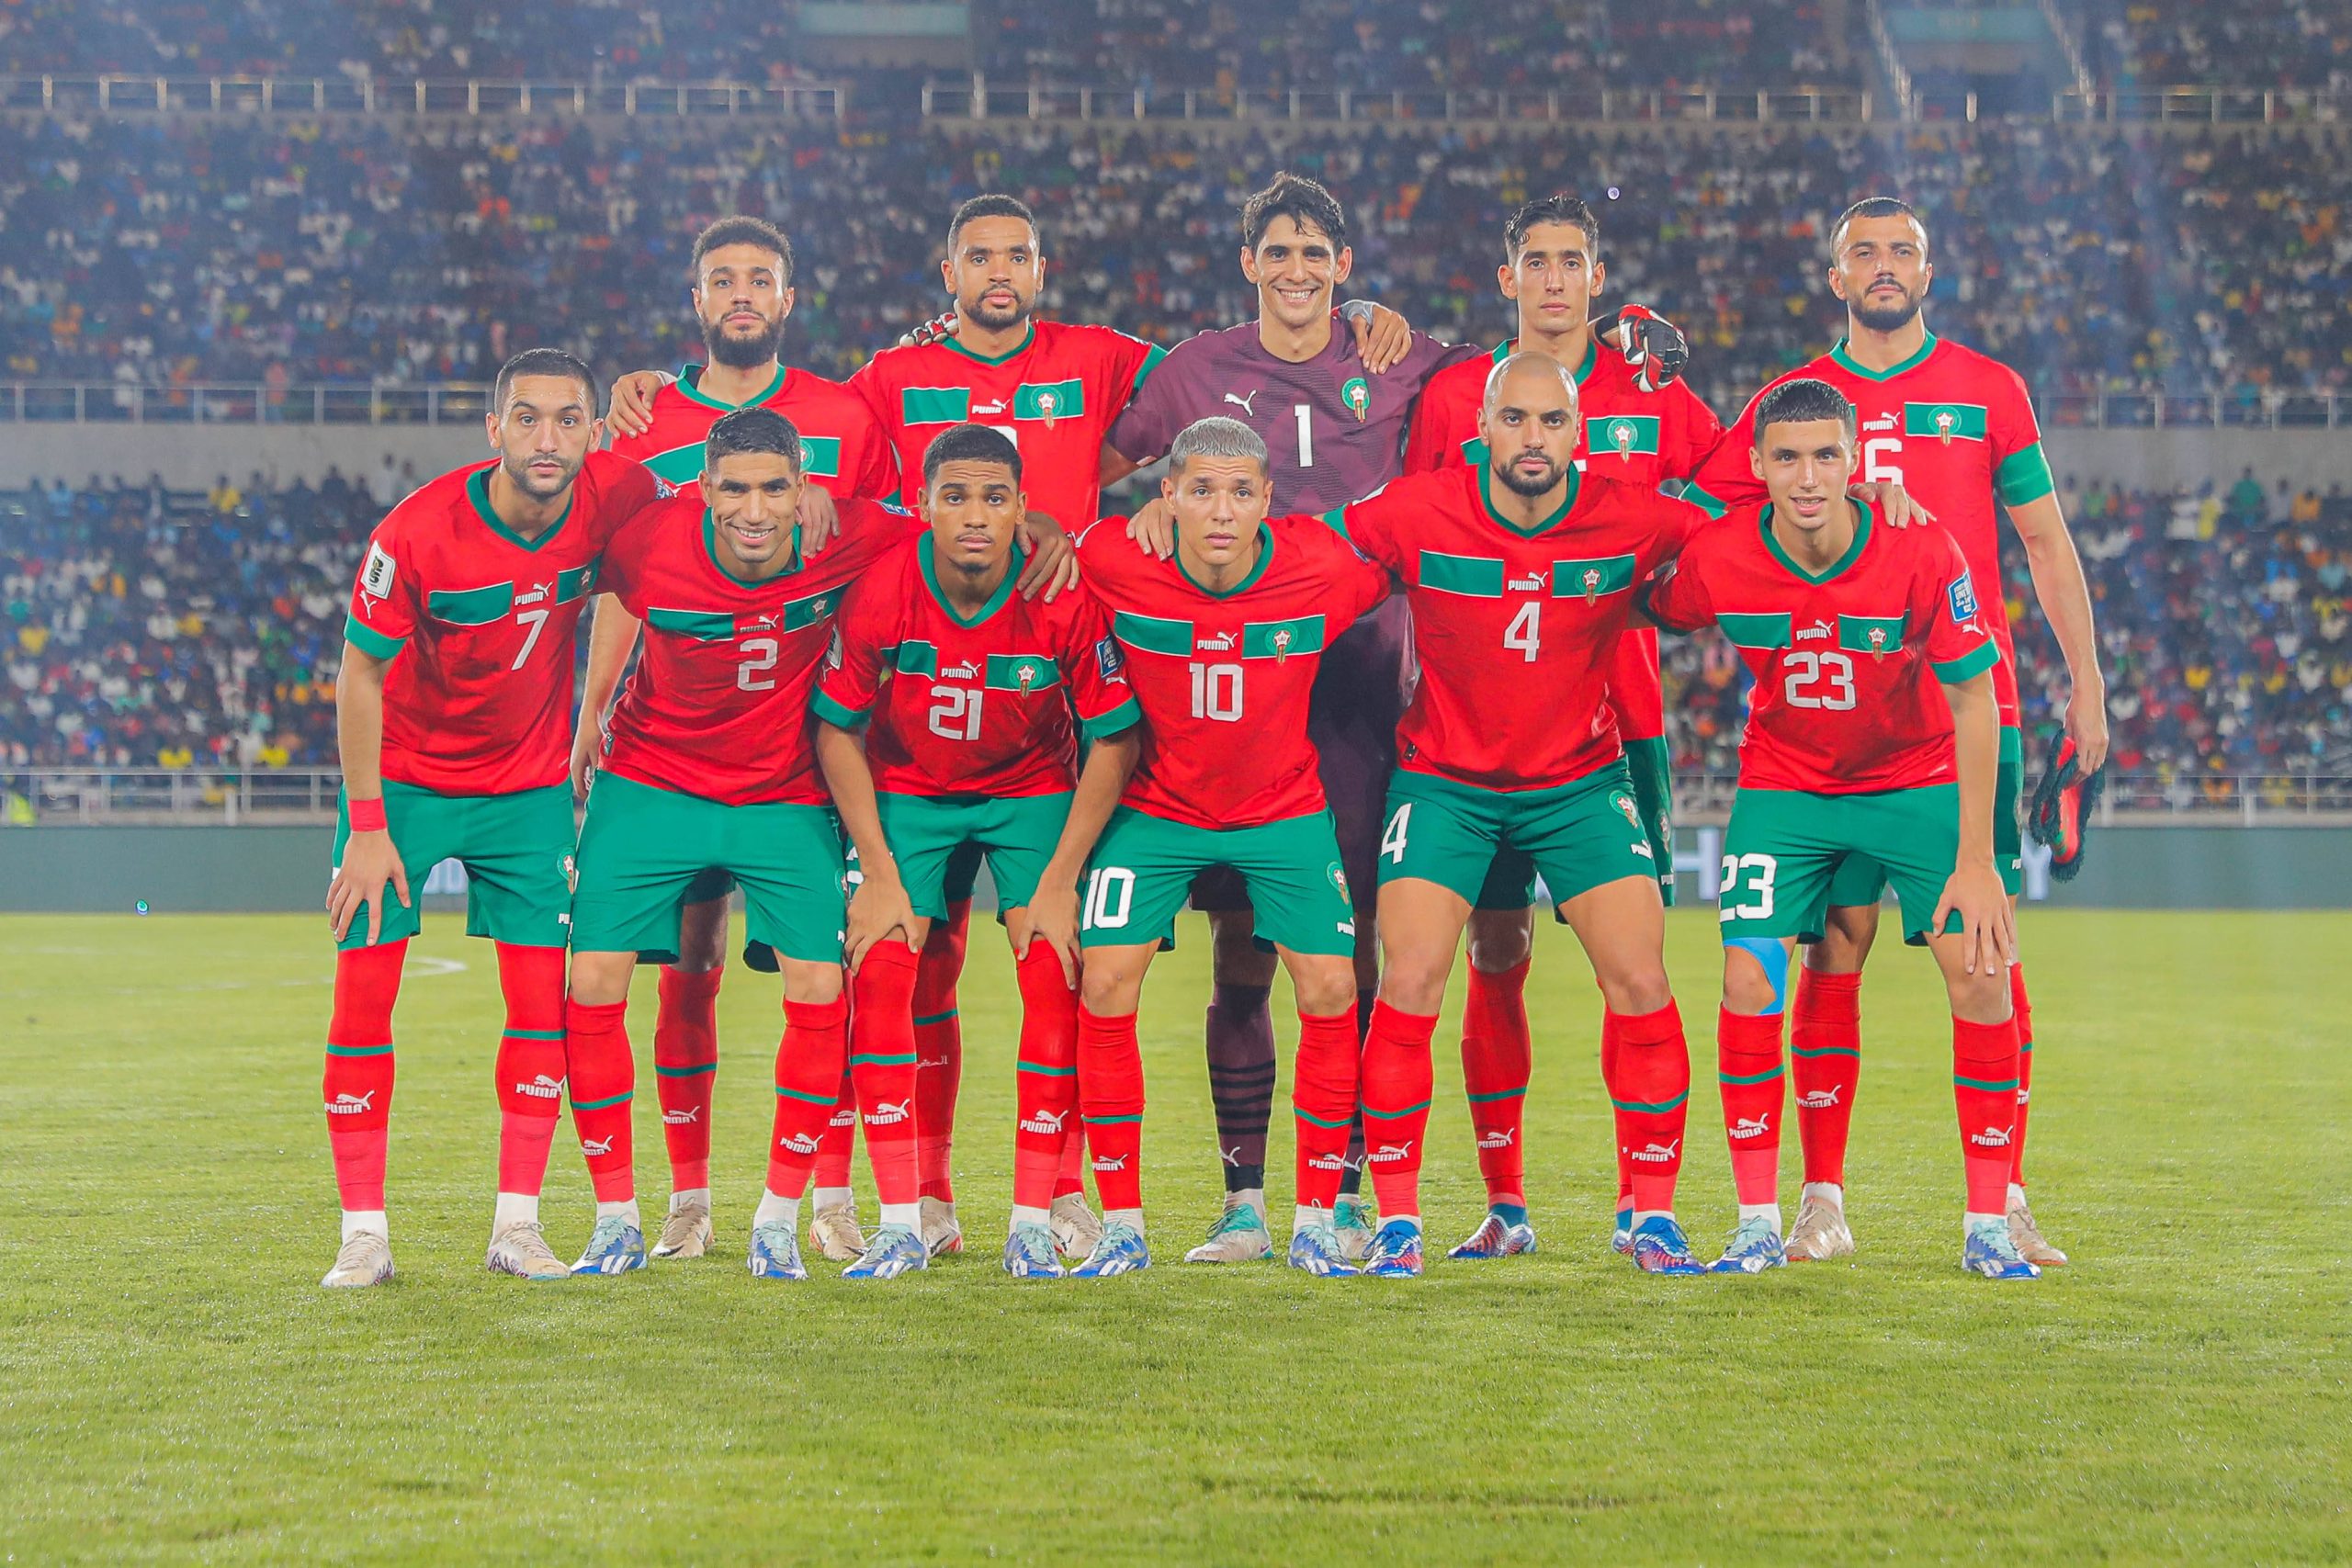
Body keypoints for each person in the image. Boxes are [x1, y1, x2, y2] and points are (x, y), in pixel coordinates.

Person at [1690, 197, 2106, 1265]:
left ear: (1930, 271)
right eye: (1863, 252)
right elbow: (1699, 518)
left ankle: (2003, 1196)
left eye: (1902, 252)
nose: (1884, 267)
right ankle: (1819, 1198)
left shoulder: (1986, 390)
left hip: (1971, 713)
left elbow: (2046, 546)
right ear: (1835, 277)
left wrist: (2088, 680)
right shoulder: (1795, 409)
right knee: (1833, 952)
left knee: (1988, 957)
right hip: (1827, 727)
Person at [1098, 172, 1479, 1263]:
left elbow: (1519, 380)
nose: (1299, 270)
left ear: (1346, 268)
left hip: (1357, 689)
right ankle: (1243, 1199)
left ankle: (1342, 1191)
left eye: (1318, 252)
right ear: (1250, 263)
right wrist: (1145, 522)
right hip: (1216, 684)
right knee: (1237, 953)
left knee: (1343, 946)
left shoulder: (1395, 354)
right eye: (1279, 251)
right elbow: (1100, 462)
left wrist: (1628, 334)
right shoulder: (1194, 371)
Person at [1325, 352, 1713, 1277]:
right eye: (1514, 421)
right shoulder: (1419, 507)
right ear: (1483, 429)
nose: (1531, 439)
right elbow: (1306, 546)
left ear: (1576, 435)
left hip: (1578, 782)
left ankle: (1651, 1217)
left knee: (1640, 981)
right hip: (1446, 785)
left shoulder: (1630, 513)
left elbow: (1738, 542)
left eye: (1550, 423)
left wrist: (1868, 510)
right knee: (1412, 982)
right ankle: (1407, 1222)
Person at [1642, 377, 2038, 1280]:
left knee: (1982, 975)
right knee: (1748, 977)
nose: (1808, 476)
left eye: (1826, 455)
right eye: (1786, 457)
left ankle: (1985, 1224)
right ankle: (1757, 1219)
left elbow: (1975, 699)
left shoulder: (1918, 545)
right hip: (1786, 785)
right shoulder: (1720, 556)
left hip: (1916, 779)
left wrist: (1976, 861)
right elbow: (1640, 599)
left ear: (1856, 461)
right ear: (1758, 467)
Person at [1400, 193, 1724, 1260]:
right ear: (1507, 278)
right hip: (1475, 720)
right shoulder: (1455, 389)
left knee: (1632, 960)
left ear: (1595, 276)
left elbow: (1731, 503)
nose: (1550, 278)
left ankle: (1645, 1204)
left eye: (1569, 261)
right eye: (1532, 259)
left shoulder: (1657, 384)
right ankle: (1505, 1200)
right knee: (1496, 950)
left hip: (1616, 721)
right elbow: (1419, 526)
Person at [586, 214, 902, 1267]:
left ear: (787, 295)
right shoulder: (645, 414)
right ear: (695, 299)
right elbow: (625, 584)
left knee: (832, 974)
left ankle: (828, 1193)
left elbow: (895, 539)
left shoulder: (845, 412)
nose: (739, 295)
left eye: (758, 279)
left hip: (796, 755)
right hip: (669, 744)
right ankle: (685, 1199)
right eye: (720, 279)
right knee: (690, 968)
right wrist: (591, 708)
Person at [320, 348, 663, 1289]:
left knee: (541, 1011)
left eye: (565, 420)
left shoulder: (613, 495)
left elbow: (705, 466)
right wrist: (365, 823)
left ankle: (516, 1225)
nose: (545, 438)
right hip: (407, 794)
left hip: (527, 798)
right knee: (363, 1002)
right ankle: (364, 1234)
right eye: (526, 418)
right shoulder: (417, 533)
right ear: (493, 430)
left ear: (592, 432)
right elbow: (359, 671)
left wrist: (658, 381)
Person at [813, 423, 1141, 1279]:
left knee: (1053, 966)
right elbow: (835, 729)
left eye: (995, 498)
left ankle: (1036, 1215)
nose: (974, 516)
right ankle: (906, 1215)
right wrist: (880, 874)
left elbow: (1115, 739)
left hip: (1029, 789)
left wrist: (1063, 880)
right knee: (884, 968)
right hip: (910, 792)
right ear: (921, 507)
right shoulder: (886, 587)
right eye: (954, 496)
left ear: (1022, 509)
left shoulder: (1059, 594)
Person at [1070, 416, 1392, 1278]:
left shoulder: (1318, 566)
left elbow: (1405, 555)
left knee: (1331, 985)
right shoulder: (1112, 557)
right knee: (1102, 981)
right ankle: (1124, 1224)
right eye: (1200, 490)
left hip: (1282, 807)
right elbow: (1041, 547)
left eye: (1240, 492)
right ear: (1166, 494)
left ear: (1267, 503)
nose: (1220, 510)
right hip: (1156, 808)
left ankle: (1319, 1217)